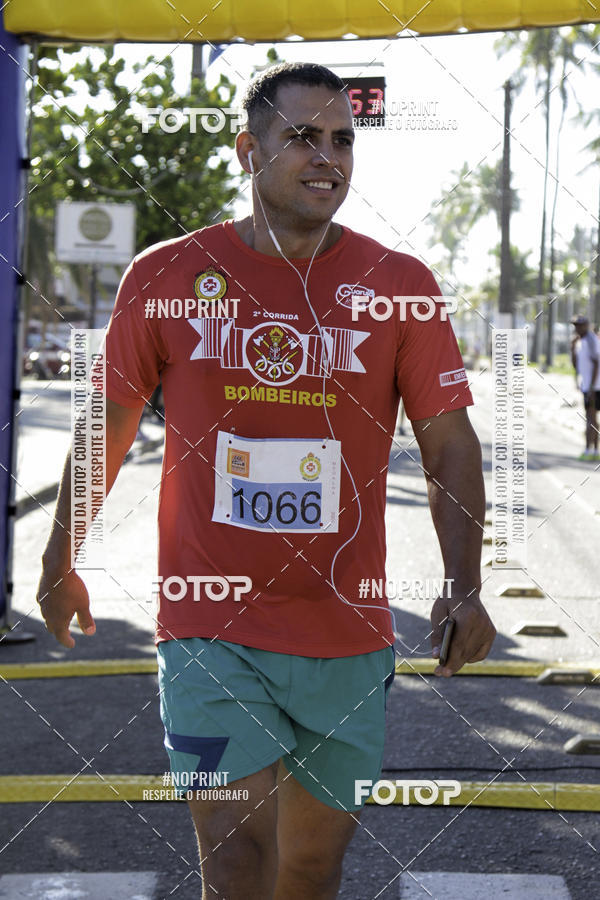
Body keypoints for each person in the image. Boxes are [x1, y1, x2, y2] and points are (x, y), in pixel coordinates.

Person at [37, 62, 496, 899]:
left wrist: (465, 583)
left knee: (311, 869)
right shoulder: (166, 277)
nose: (328, 158)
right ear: (249, 149)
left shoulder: (400, 287)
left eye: (342, 140)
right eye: (302, 138)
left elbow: (451, 448)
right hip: (209, 626)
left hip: (348, 638)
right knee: (238, 860)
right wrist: (58, 557)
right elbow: (104, 423)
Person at [570, 314, 600, 461]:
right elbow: (577, 365)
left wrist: (591, 387)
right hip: (587, 386)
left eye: (580, 325)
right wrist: (571, 348)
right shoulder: (579, 341)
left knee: (591, 419)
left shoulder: (591, 340)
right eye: (575, 325)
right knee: (591, 418)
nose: (577, 328)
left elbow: (596, 363)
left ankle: (590, 450)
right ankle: (593, 451)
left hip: (595, 387)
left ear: (586, 325)